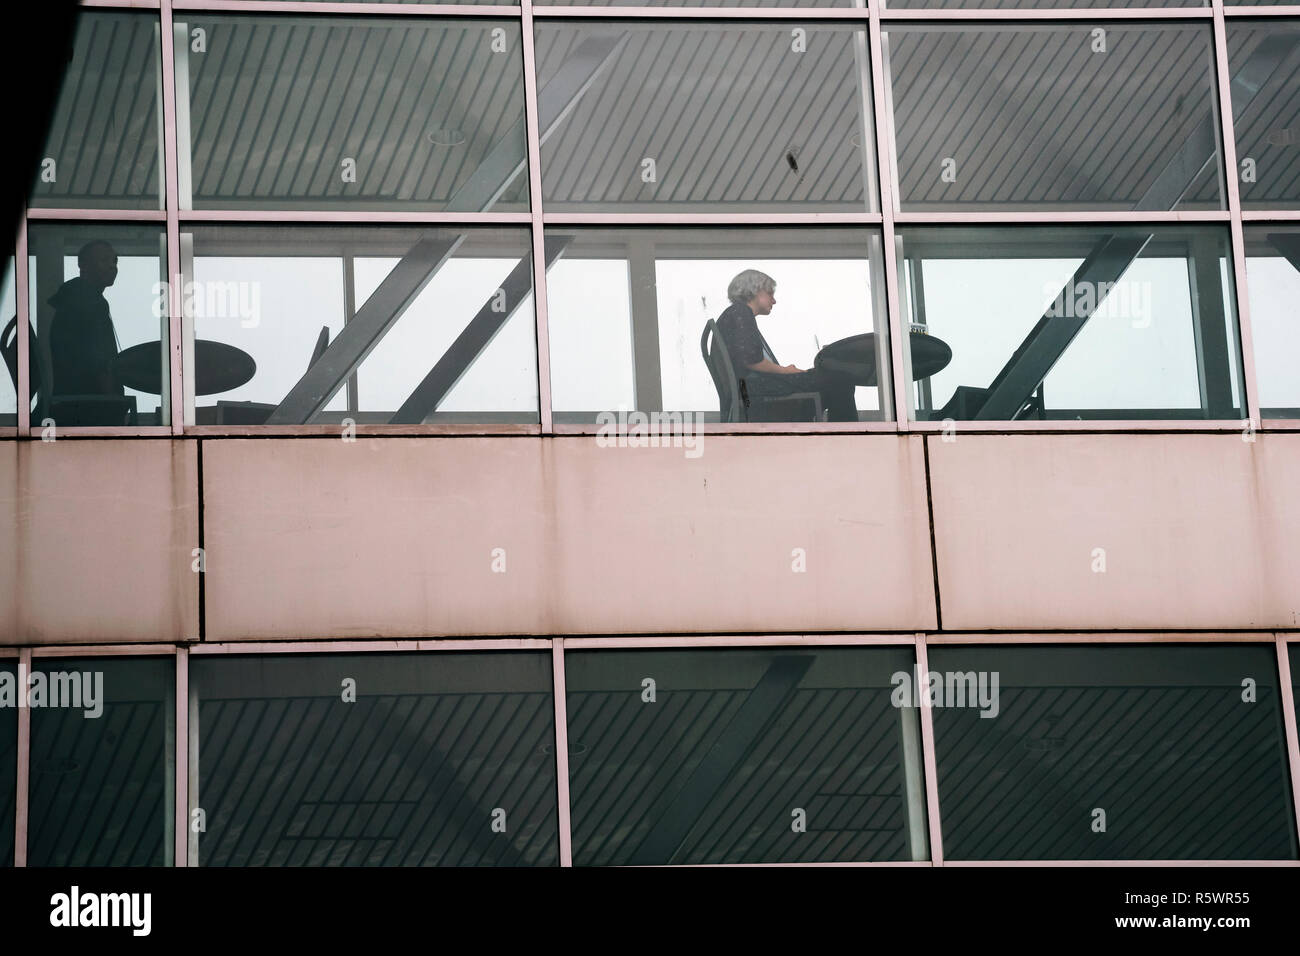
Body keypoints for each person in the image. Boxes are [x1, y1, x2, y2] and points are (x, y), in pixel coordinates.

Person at [714, 269, 858, 422]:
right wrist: (786, 371)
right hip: (750, 388)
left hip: (746, 387)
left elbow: (747, 358)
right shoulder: (741, 312)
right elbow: (751, 361)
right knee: (840, 378)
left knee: (832, 382)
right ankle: (848, 438)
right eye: (770, 293)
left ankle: (812, 423)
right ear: (755, 291)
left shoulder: (734, 314)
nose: (774, 301)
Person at [48, 239, 124, 401]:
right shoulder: (89, 301)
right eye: (104, 260)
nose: (113, 266)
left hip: (69, 395)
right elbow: (97, 362)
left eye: (114, 261)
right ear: (83, 265)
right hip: (87, 400)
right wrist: (113, 401)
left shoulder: (73, 296)